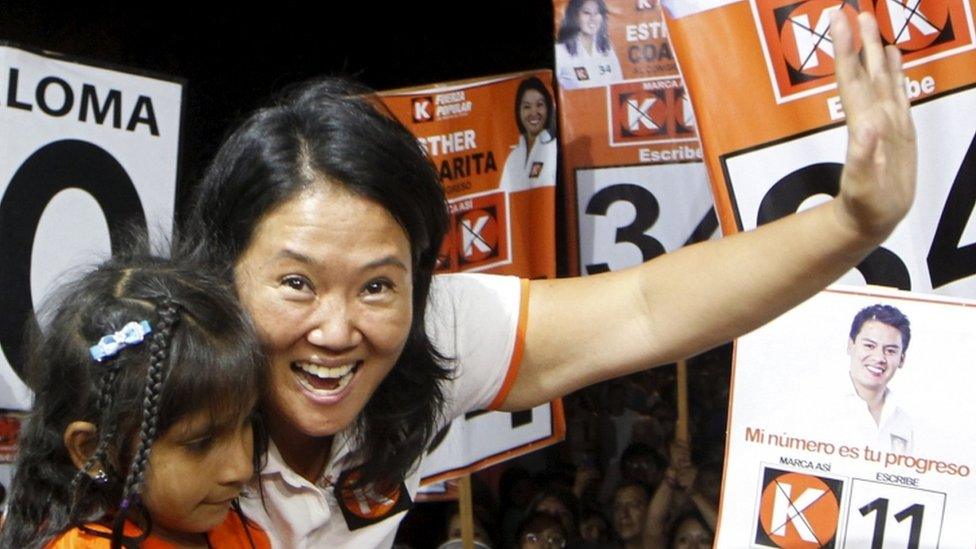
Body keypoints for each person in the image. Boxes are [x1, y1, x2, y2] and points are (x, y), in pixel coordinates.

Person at [180, 11, 915, 547]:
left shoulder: (435, 334)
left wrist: (852, 221)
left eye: (377, 285)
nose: (337, 331)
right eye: (297, 285)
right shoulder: (152, 398)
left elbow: (647, 306)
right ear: (223, 274)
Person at [0, 253, 270, 548]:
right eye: (199, 443)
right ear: (93, 451)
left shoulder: (241, 535)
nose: (241, 468)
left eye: (247, 423)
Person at [837, 303, 914, 452]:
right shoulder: (819, 406)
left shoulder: (904, 422)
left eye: (890, 351)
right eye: (869, 346)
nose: (879, 358)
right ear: (850, 345)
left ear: (902, 359)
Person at [498, 77, 558, 193]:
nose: (534, 113)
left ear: (548, 108)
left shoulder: (554, 148)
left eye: (540, 105)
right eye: (527, 107)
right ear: (518, 111)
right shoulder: (513, 156)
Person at [555, 0, 624, 89]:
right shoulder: (560, 51)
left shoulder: (607, 49)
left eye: (597, 13)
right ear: (574, 16)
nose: (592, 18)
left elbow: (619, 86)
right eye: (586, 13)